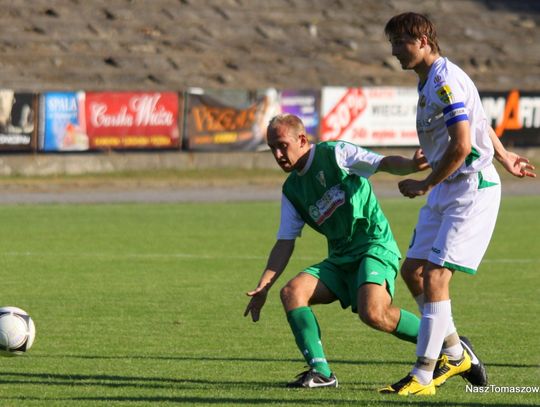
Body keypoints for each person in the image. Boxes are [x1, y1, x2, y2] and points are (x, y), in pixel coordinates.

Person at [380, 12, 536, 396]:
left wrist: (424, 183)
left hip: (469, 190)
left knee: (435, 276)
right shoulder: (432, 80)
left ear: (425, 40)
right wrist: (505, 154)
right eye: (393, 43)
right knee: (413, 270)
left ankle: (423, 375)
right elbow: (480, 122)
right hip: (449, 188)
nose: (396, 51)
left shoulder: (445, 82)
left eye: (402, 42)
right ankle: (455, 352)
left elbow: (464, 145)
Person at [244, 113, 429, 388]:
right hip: (340, 258)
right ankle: (321, 372)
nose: (278, 153)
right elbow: (285, 241)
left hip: (373, 246)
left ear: (302, 140)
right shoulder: (292, 189)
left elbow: (382, 163)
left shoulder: (335, 154)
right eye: (273, 148)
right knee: (292, 292)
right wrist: (264, 285)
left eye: (282, 145)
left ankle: (446, 342)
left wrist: (412, 165)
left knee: (374, 313)